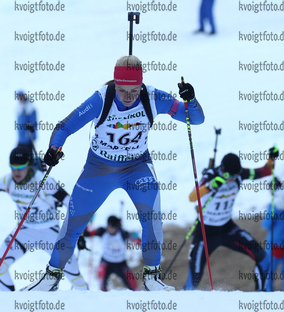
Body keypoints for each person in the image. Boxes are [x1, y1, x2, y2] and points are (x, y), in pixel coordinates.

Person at [22, 55, 205, 292]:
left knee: (152, 220)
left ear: (142, 84)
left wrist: (191, 99)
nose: (128, 96)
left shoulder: (154, 97)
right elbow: (64, 126)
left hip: (136, 167)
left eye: (134, 90)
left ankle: (151, 278)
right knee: (73, 223)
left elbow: (196, 119)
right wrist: (53, 149)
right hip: (100, 168)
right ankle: (51, 279)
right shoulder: (101, 99)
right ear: (114, 84)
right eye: (122, 90)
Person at [0, 146, 88, 291]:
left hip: (50, 232)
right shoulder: (8, 181)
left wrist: (79, 232)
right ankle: (11, 303)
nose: (16, 172)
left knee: (73, 273)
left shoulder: (43, 181)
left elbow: (69, 202)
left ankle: (90, 302)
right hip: (25, 231)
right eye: (13, 168)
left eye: (21, 167)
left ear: (29, 166)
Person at [184, 147, 279, 291]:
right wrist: (209, 186)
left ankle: (262, 296)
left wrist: (272, 158)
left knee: (263, 258)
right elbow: (192, 197)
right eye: (231, 176)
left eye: (236, 176)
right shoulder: (211, 176)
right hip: (205, 233)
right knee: (194, 279)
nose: (233, 179)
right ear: (223, 171)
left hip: (227, 228)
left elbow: (266, 171)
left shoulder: (239, 174)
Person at [83, 216, 140, 291]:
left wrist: (136, 237)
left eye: (113, 227)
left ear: (116, 227)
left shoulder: (122, 233)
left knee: (133, 286)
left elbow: (138, 242)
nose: (111, 229)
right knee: (102, 286)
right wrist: (87, 222)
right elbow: (86, 234)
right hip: (106, 263)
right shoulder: (102, 231)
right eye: (109, 227)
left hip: (121, 264)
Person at [261, 177, 284, 291]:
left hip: (274, 243)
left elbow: (266, 224)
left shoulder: (275, 204)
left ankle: (269, 295)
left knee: (269, 272)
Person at [16, 89, 37, 154]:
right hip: (21, 138)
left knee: (28, 157)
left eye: (21, 96)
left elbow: (33, 123)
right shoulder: (19, 107)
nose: (20, 98)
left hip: (28, 138)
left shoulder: (30, 108)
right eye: (19, 97)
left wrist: (31, 136)